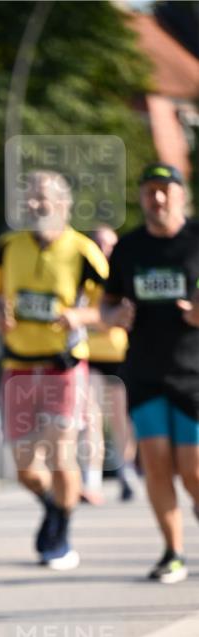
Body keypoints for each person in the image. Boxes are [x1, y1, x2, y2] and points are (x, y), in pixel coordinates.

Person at [0, 171, 109, 570]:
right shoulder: (8, 246)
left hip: (62, 366)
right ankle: (53, 507)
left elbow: (112, 308)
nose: (36, 206)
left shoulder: (84, 250)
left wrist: (80, 315)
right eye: (31, 199)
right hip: (17, 364)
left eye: (44, 199)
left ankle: (62, 535)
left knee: (60, 455)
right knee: (24, 467)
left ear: (64, 205)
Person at [101, 163, 199, 583]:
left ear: (181, 194)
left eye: (164, 190)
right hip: (144, 369)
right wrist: (115, 315)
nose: (156, 199)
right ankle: (173, 552)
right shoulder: (128, 248)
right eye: (149, 192)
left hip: (193, 371)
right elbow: (106, 306)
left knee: (192, 469)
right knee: (156, 465)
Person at [81, 226, 138, 504]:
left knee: (120, 419)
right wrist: (100, 316)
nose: (106, 249)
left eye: (111, 244)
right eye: (101, 244)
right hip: (88, 354)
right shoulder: (85, 273)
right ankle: (91, 480)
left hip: (117, 355)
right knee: (91, 417)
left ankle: (126, 473)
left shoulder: (123, 273)